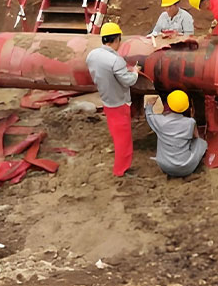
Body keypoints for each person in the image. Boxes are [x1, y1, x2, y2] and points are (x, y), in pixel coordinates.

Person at [86, 22, 140, 177]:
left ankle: (120, 167)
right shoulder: (116, 60)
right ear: (116, 39)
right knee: (124, 140)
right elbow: (128, 81)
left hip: (106, 100)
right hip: (119, 102)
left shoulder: (92, 55)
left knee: (116, 135)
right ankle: (121, 170)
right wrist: (134, 72)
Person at [145, 90, 208, 177]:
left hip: (165, 166)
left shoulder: (160, 121)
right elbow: (195, 137)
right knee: (201, 143)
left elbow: (149, 115)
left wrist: (150, 104)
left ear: (168, 106)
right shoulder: (190, 122)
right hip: (187, 168)